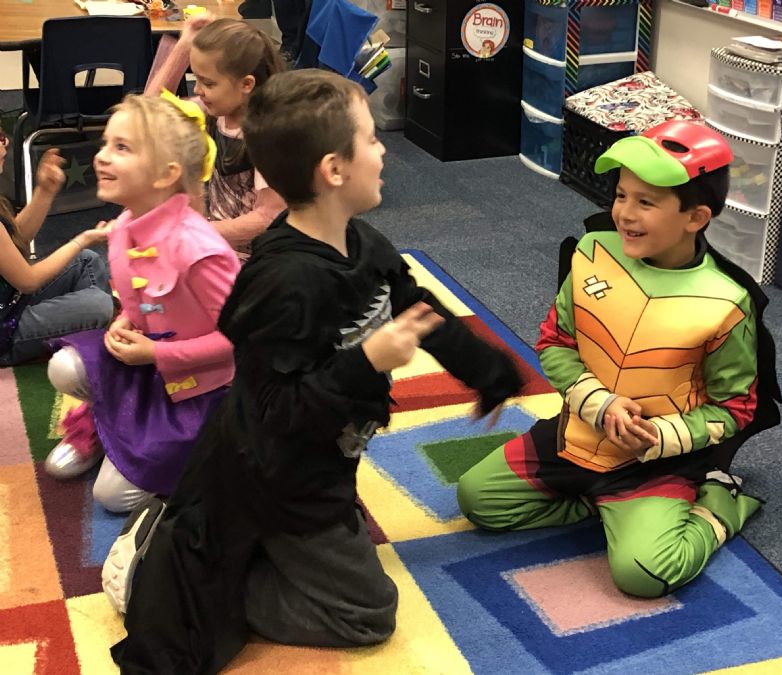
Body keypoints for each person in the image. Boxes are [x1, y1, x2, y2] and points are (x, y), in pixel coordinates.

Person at [106, 69, 524, 673]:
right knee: (367, 614)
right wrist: (366, 362)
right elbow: (275, 412)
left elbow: (418, 310)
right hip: (276, 478)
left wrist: (490, 372)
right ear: (333, 170)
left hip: (325, 458)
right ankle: (201, 579)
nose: (383, 151)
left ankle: (249, 555)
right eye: (371, 139)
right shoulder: (284, 283)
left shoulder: (362, 242)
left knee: (341, 550)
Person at [457, 120, 781, 599]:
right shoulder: (592, 252)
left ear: (696, 217)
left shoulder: (727, 303)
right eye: (621, 195)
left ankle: (718, 504)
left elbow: (735, 409)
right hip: (576, 435)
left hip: (654, 463)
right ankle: (600, 506)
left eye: (646, 202)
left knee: (643, 575)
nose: (625, 213)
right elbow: (555, 341)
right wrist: (599, 404)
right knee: (478, 500)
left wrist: (660, 436)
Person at [43, 94, 241, 513]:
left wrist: (158, 353)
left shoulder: (200, 249)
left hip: (202, 389)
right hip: (147, 366)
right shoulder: (124, 227)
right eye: (106, 144)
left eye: (122, 147)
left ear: (167, 174)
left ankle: (202, 453)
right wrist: (127, 322)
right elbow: (143, 300)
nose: (102, 156)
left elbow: (243, 339)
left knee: (112, 497)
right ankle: (110, 424)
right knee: (64, 366)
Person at [145, 16, 288, 260]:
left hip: (251, 261)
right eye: (196, 79)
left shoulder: (267, 136)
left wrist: (196, 232)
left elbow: (268, 216)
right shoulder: (215, 111)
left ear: (246, 84)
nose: (197, 90)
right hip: (217, 244)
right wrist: (183, 46)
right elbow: (146, 114)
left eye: (208, 83)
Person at [0, 128, 113, 366]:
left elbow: (14, 241)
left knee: (87, 260)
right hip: (5, 332)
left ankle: (90, 339)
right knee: (99, 304)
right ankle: (92, 339)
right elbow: (27, 280)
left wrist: (45, 191)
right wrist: (82, 239)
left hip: (10, 303)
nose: (6, 141)